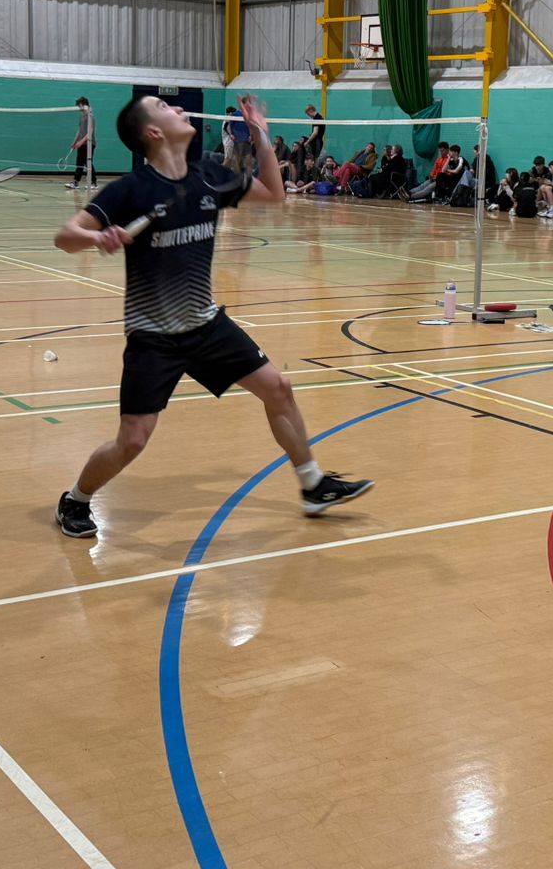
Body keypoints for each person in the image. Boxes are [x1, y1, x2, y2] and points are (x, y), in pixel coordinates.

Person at [51, 93, 372, 538]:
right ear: (153, 132)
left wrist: (260, 135)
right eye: (165, 107)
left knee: (278, 388)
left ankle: (313, 484)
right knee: (133, 440)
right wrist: (98, 236)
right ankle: (76, 499)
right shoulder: (130, 190)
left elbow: (274, 195)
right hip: (154, 335)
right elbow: (64, 237)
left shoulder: (209, 177)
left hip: (205, 324)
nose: (179, 109)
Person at [71, 96, 94, 189]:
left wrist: (80, 142)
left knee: (88, 163)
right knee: (79, 163)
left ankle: (93, 183)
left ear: (84, 105)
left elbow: (90, 132)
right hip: (82, 143)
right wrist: (75, 142)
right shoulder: (82, 117)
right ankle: (76, 183)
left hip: (89, 143)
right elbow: (79, 131)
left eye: (79, 105)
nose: (78, 108)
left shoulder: (90, 116)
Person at [222, 106, 252, 173]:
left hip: (233, 142)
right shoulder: (228, 119)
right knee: (227, 159)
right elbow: (225, 128)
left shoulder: (232, 119)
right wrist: (232, 135)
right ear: (230, 113)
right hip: (228, 142)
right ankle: (219, 172)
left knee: (233, 160)